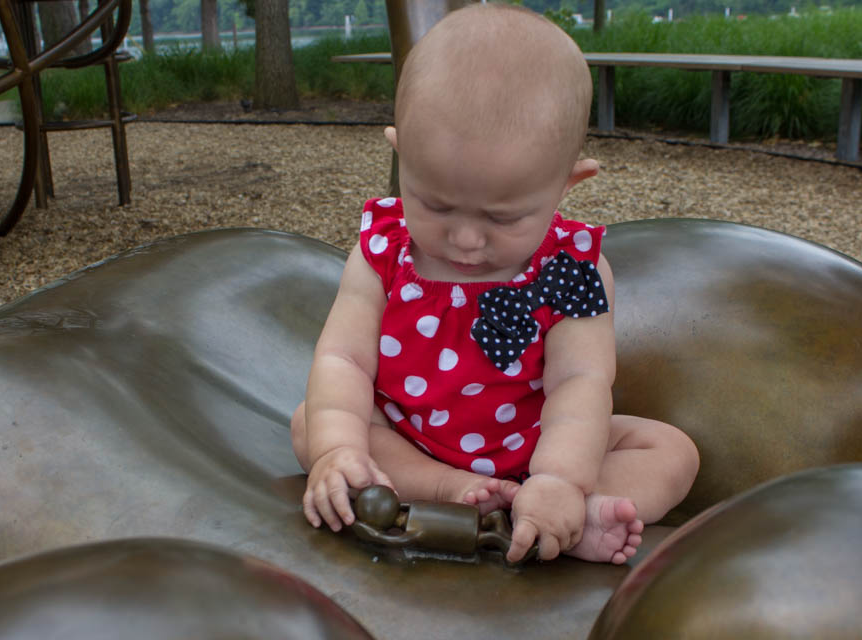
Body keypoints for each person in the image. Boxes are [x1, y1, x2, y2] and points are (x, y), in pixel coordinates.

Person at [291, 3, 699, 565]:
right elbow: (344, 360)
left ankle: (567, 512)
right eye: (434, 204)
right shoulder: (383, 252)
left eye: (502, 219)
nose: (464, 240)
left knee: (669, 450)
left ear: (566, 184)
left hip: (537, 445)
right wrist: (336, 449)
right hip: (414, 439)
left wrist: (561, 476)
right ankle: (449, 494)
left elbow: (580, 381)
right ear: (400, 154)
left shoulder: (569, 270)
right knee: (310, 423)